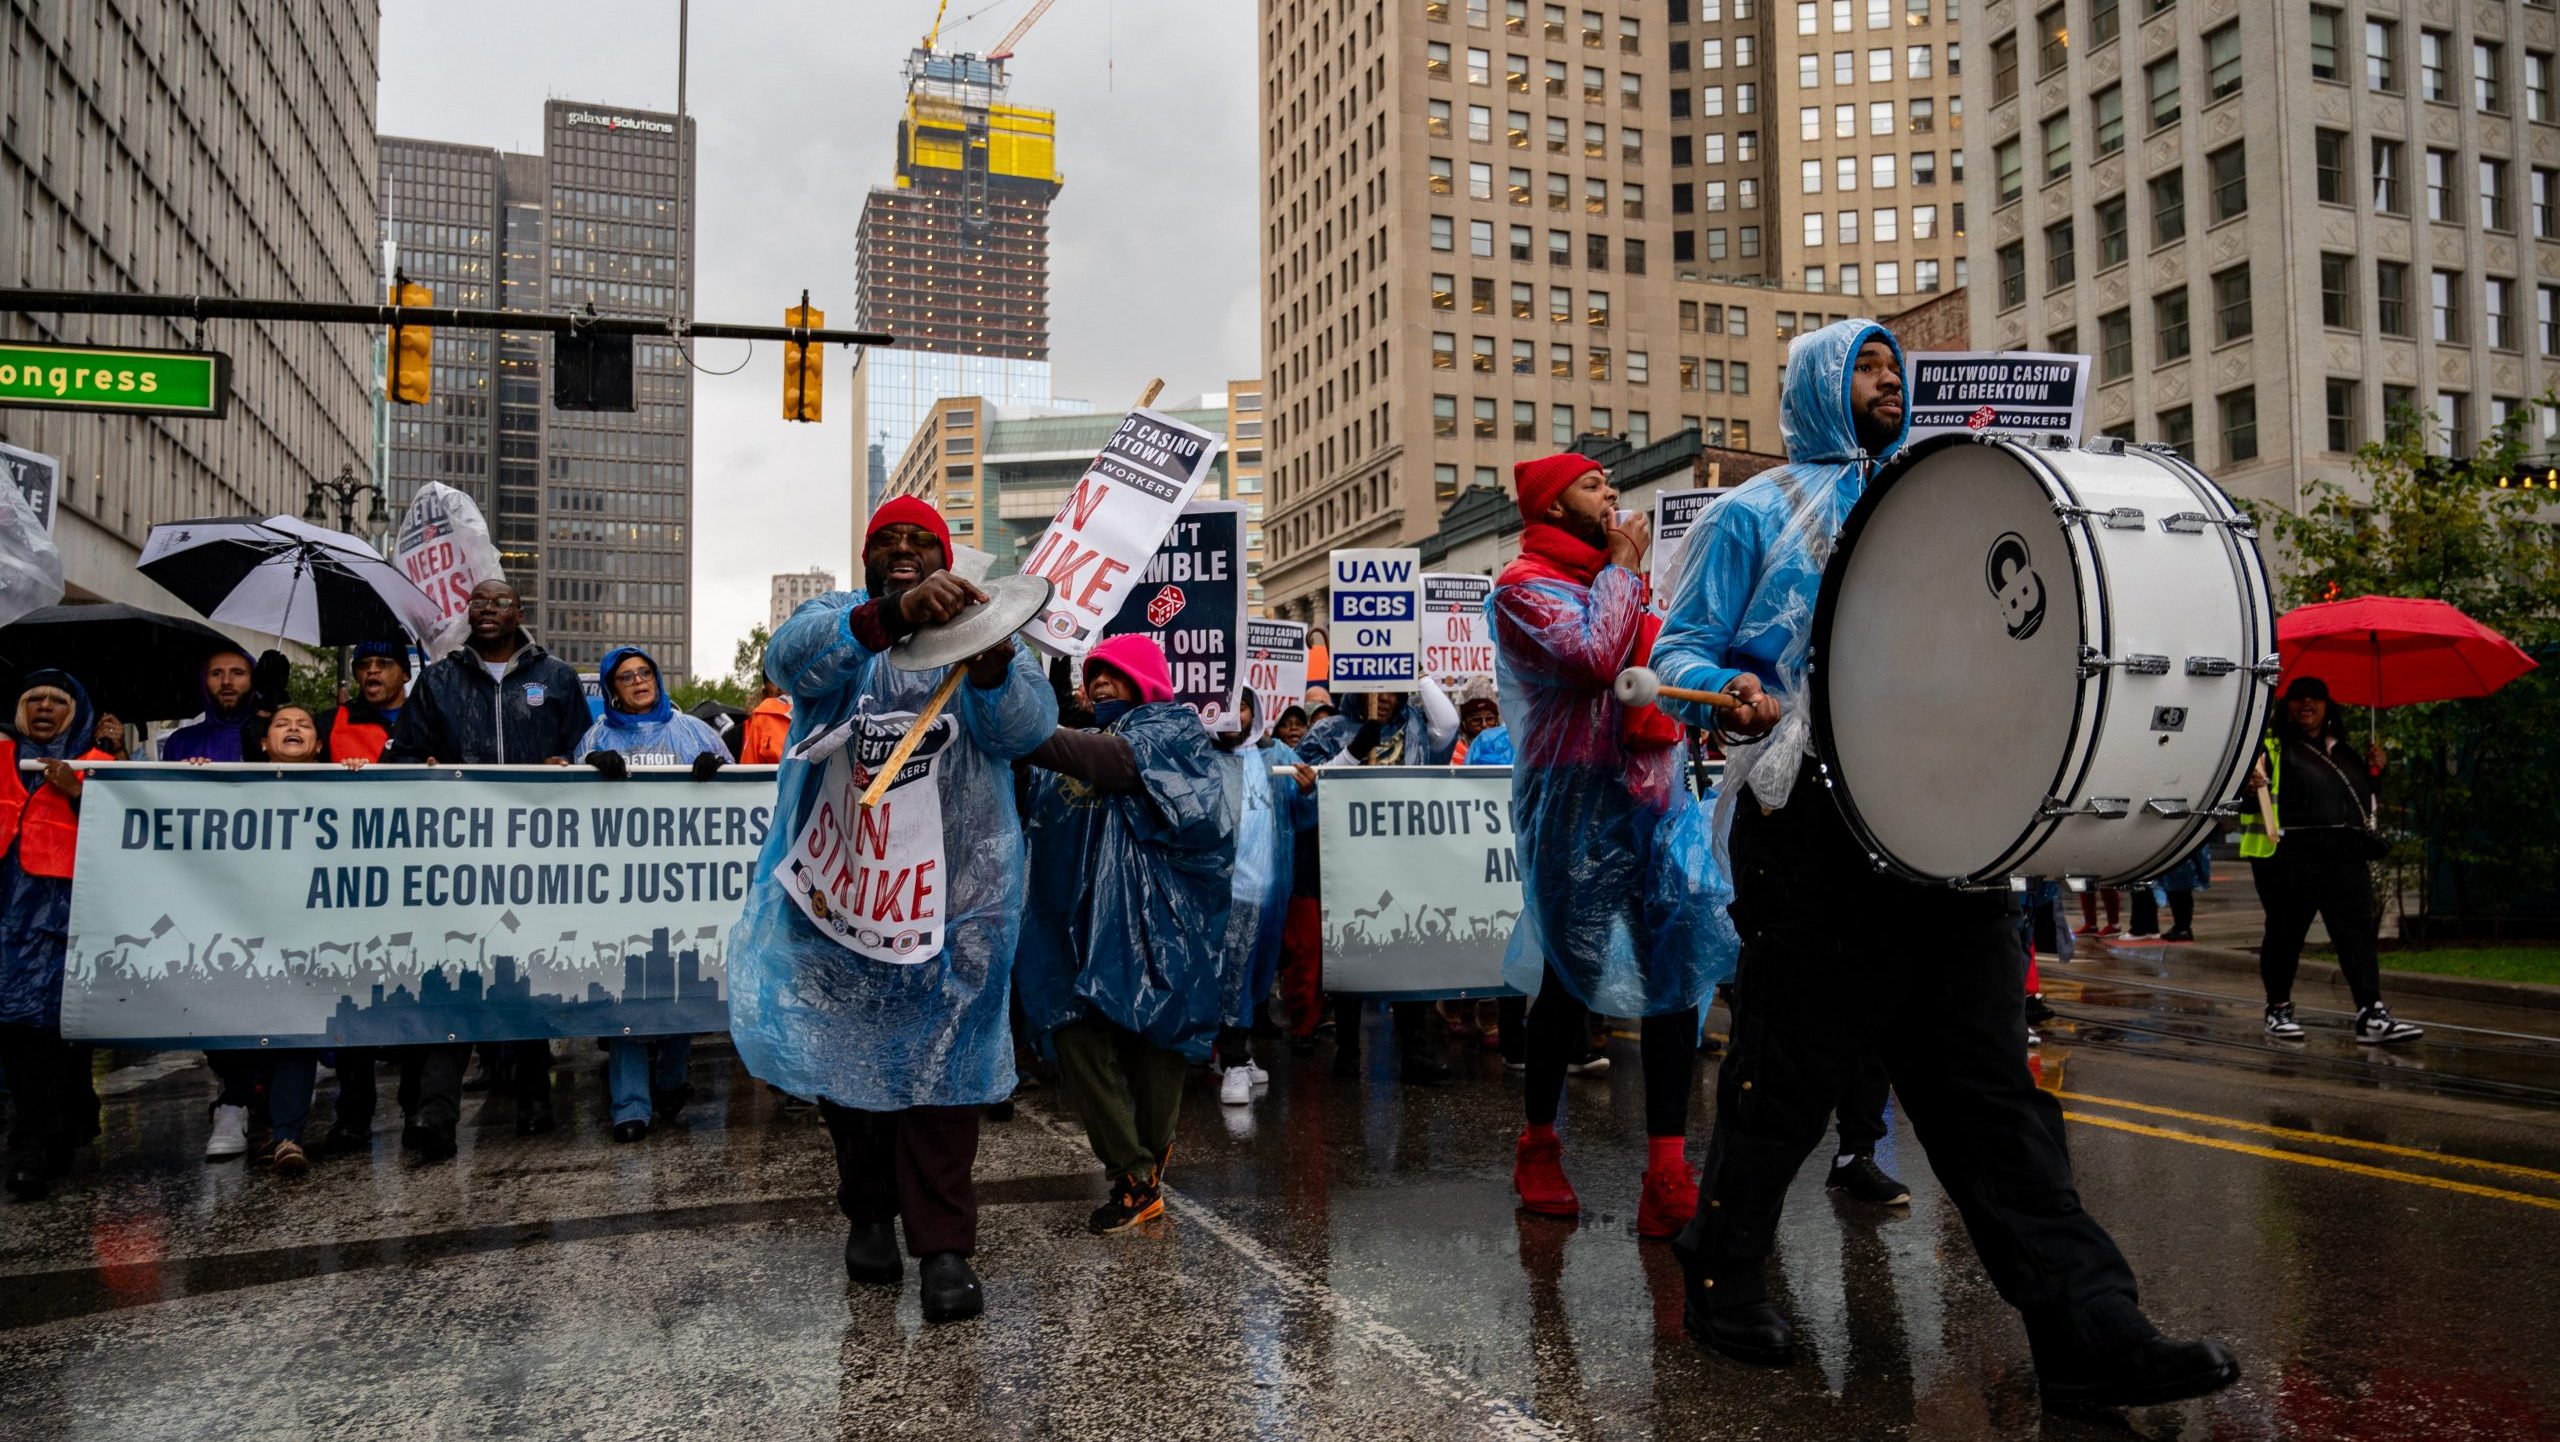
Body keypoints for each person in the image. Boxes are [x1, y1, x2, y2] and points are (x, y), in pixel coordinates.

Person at [1650, 319, 2239, 1410]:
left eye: (1894, 365)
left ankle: (2087, 1327)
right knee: (1786, 1076)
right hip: (1812, 821)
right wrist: (1729, 689)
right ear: (1822, 384)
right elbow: (1674, 645)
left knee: (1990, 1099)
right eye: (1867, 365)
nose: (1890, 381)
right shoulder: (1753, 510)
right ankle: (1723, 1265)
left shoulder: (1942, 492)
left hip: (1946, 833)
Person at [729, 496, 1054, 1323]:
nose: (904, 550)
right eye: (889, 541)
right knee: (852, 1073)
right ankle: (868, 1214)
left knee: (946, 1078)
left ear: (946, 561)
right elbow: (794, 660)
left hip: (954, 905)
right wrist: (894, 617)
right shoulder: (837, 619)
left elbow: (1025, 729)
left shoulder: (982, 638)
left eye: (922, 544)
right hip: (841, 896)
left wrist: (988, 663)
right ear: (868, 558)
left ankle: (945, 1250)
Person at [1488, 451, 1737, 1238]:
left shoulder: (1623, 583)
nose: (1612, 497)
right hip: (1574, 803)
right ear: (1553, 506)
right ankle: (1538, 1146)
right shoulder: (1521, 588)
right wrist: (1625, 568)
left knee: (1675, 967)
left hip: (1654, 791)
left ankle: (1667, 1170)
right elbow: (1596, 659)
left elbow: (1660, 673)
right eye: (1593, 486)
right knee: (1570, 973)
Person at [1017, 634, 1237, 1234]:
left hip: (1153, 920)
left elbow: (1115, 765)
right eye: (1094, 676)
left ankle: (1149, 1152)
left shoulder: (1173, 730)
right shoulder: (1072, 742)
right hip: (1067, 923)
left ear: (1146, 679)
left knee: (1154, 1038)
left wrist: (1029, 733)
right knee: (1076, 1036)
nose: (1101, 684)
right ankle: (1135, 1173)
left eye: (1115, 673)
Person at [383, 578, 592, 1157]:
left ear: (520, 611)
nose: (488, 610)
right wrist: (420, 764)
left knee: (523, 972)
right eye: (478, 602)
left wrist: (568, 765)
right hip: (458, 854)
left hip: (536, 852)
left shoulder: (556, 679)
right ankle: (435, 1115)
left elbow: (586, 749)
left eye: (500, 602)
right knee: (453, 973)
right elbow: (402, 754)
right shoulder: (440, 679)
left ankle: (534, 1096)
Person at [575, 645, 734, 1141]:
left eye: (645, 673)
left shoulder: (692, 730)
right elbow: (569, 812)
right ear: (612, 689)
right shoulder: (596, 736)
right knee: (623, 988)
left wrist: (717, 773)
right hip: (619, 889)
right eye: (627, 677)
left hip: (682, 884)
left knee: (683, 979)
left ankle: (670, 1080)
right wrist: (588, 771)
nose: (639, 682)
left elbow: (738, 789)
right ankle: (630, 1106)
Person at [2242, 676, 2418, 1045]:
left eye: (2315, 698)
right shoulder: (2270, 747)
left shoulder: (2346, 750)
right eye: (2298, 698)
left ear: (2327, 705)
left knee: (2358, 937)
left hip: (2344, 859)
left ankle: (2371, 1013)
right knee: (2286, 937)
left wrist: (2375, 772)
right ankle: (2278, 1010)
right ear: (2286, 704)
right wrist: (2247, 785)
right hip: (2290, 858)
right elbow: (2246, 800)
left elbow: (2361, 802)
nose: (2306, 704)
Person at [0, 672, 108, 1201]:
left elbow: (130, 833)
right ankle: (30, 1146)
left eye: (56, 700)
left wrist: (77, 794)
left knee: (63, 1033)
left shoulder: (101, 767)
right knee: (21, 1033)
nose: (43, 707)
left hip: (73, 919)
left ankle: (60, 1127)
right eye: (33, 699)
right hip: (9, 921)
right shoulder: (0, 760)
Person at [1212, 689, 1316, 1105]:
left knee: (1257, 976)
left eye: (1240, 706)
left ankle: (1236, 1052)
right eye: (1224, 706)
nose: (1233, 717)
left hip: (1270, 890)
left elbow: (1303, 817)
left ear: (1253, 713)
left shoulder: (1276, 758)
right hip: (1226, 893)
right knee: (1230, 974)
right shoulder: (1203, 758)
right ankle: (1234, 1060)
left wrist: (1308, 791)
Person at [160, 648, 260, 762]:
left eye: (238, 673)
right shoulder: (180, 742)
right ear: (204, 680)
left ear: (254, 680)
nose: (226, 681)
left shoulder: (273, 737)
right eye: (216, 673)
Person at [1452, 675, 1511, 766]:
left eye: (1490, 718)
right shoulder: (1456, 750)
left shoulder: (1508, 745)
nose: (1484, 724)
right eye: (1476, 720)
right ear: (1464, 723)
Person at [738, 675, 792, 765]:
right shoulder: (761, 719)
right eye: (775, 680)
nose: (781, 686)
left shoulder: (819, 712)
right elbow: (748, 773)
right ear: (764, 694)